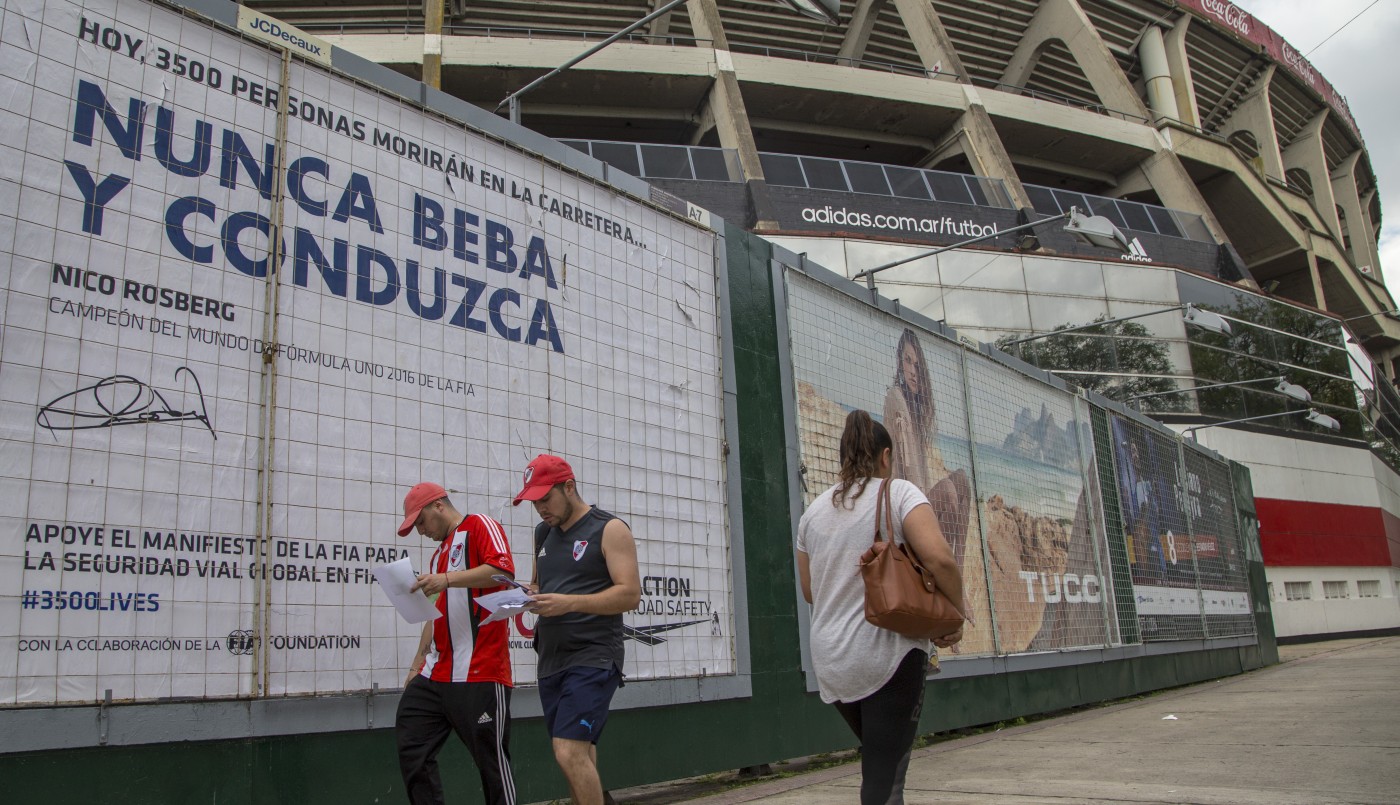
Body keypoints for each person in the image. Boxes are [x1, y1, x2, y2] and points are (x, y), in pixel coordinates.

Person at [796, 410, 965, 805]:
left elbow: (809, 591)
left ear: (844, 457)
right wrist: (956, 612)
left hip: (833, 664)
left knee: (881, 761)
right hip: (888, 655)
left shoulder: (811, 516)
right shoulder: (900, 492)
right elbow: (940, 560)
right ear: (886, 457)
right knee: (883, 783)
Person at [513, 455, 641, 805]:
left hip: (594, 656)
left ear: (569, 487)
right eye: (533, 501)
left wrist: (569, 602)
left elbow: (629, 594)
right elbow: (540, 585)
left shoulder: (609, 528)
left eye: (545, 498)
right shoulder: (543, 533)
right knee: (578, 756)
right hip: (551, 659)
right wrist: (525, 596)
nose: (540, 508)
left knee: (568, 751)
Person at [394, 482, 518, 805]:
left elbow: (503, 573)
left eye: (421, 522)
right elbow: (432, 614)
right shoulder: (437, 558)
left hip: (480, 670)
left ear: (438, 506)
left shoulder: (479, 525)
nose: (421, 532)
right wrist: (416, 664)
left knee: (492, 764)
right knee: (411, 735)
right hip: (438, 674)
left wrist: (447, 579)